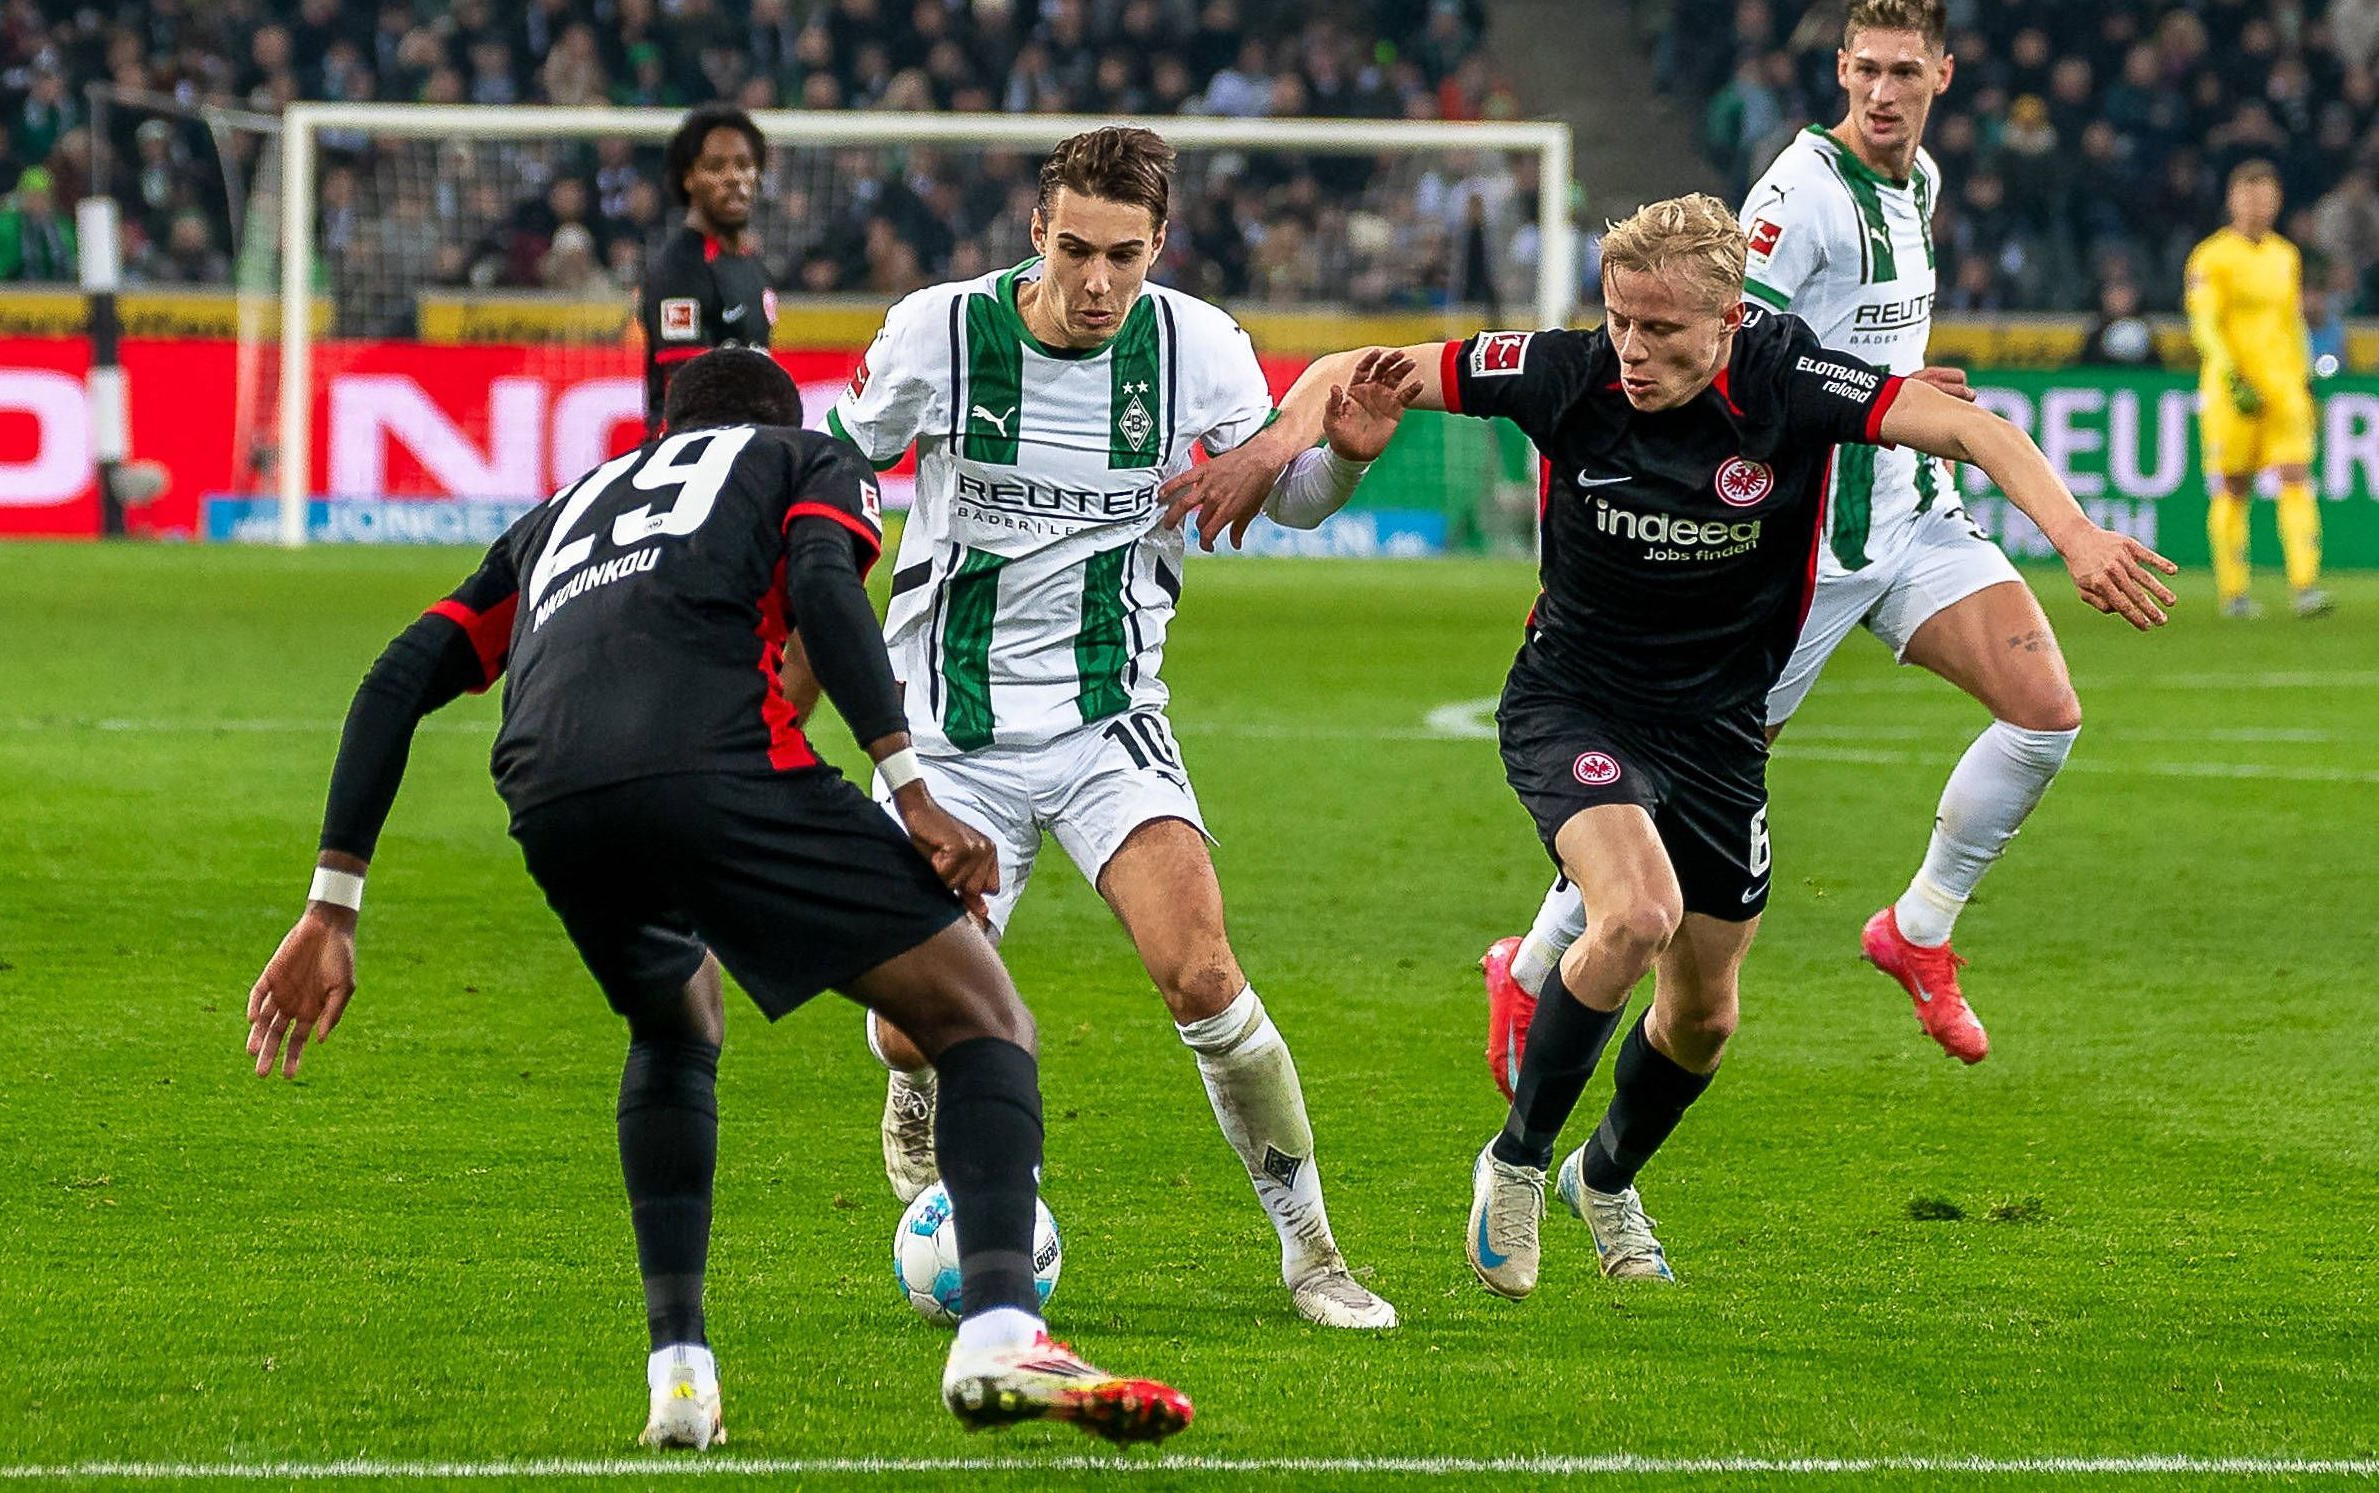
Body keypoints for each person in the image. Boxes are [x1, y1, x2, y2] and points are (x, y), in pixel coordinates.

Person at [1180, 192, 2173, 1295]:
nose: (1633, 350)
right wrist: (1282, 443)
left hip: (1715, 731)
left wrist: (2073, 534)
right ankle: (1514, 1160)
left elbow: (1974, 430)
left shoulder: (1791, 381)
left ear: (1729, 317)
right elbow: (1363, 366)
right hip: (1574, 702)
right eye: (1619, 320)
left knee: (1702, 1015)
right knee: (1633, 911)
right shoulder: (1561, 371)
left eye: (1661, 330)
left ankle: (1603, 1180)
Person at [243, 349, 1193, 1450]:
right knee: (981, 1016)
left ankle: (680, 1375)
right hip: (721, 760)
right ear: (775, 420)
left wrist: (331, 906)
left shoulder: (558, 514)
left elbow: (396, 678)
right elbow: (829, 590)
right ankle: (997, 1332)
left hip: (551, 792)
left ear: (662, 427)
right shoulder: (803, 457)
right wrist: (912, 791)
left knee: (675, 1015)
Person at [1468, 0, 2117, 1075]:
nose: (1881, 91)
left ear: (1940, 77)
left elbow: (1870, 341)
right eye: (1863, 69)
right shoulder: (1796, 194)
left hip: (1904, 513)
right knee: (1678, 775)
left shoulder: (1918, 184)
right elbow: (1733, 347)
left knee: (2043, 712)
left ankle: (1914, 929)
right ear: (1837, 71)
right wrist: (1861, 392)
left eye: (1902, 72)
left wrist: (1898, 395)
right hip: (1797, 544)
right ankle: (1530, 968)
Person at [822, 125, 1397, 1330]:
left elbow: (1281, 493)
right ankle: (914, 1081)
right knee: (905, 1022)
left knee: (1202, 973)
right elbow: (834, 472)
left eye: (1122, 258)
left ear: (1157, 248)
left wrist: (1339, 463)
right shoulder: (937, 331)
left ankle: (1314, 1253)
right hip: (945, 737)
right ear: (1036, 232)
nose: (1095, 283)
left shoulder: (1196, 344)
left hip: (1107, 721)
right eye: (1073, 249)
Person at [2188, 160, 2331, 620]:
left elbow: (2293, 323)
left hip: (2283, 386)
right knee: (2234, 486)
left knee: (2295, 476)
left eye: (2266, 197)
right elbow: (2204, 322)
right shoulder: (2210, 257)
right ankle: (2235, 593)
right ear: (2232, 200)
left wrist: (2304, 383)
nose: (2258, 206)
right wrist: (2230, 374)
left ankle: (2305, 585)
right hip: (2234, 388)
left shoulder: (2286, 255)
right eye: (2249, 196)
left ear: (2278, 201)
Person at [641, 103, 775, 435]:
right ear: (689, 178)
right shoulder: (680, 269)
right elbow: (688, 390)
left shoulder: (753, 266)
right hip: (688, 460)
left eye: (744, 165)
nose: (734, 178)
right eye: (716, 167)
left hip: (742, 448)